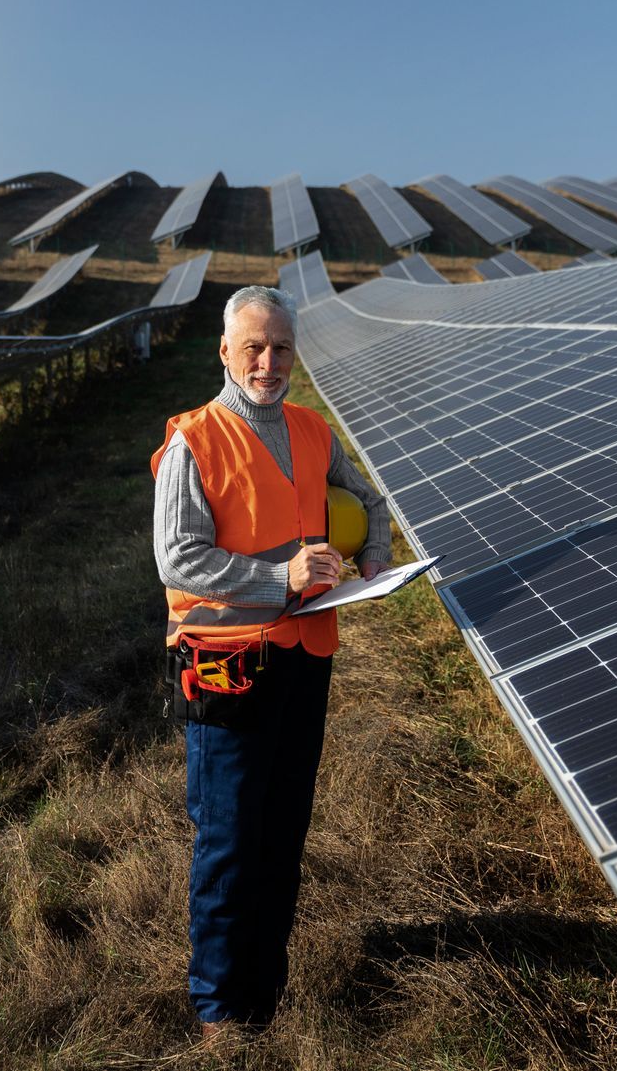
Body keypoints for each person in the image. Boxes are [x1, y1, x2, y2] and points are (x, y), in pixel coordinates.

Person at [149, 283, 392, 1036]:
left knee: (283, 830)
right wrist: (276, 578)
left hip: (305, 656)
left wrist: (376, 559)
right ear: (225, 351)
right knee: (228, 836)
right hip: (227, 664)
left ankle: (266, 992)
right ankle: (221, 1011)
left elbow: (369, 501)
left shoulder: (313, 429)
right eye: (253, 346)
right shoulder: (196, 438)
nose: (268, 360)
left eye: (281, 347)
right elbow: (177, 556)